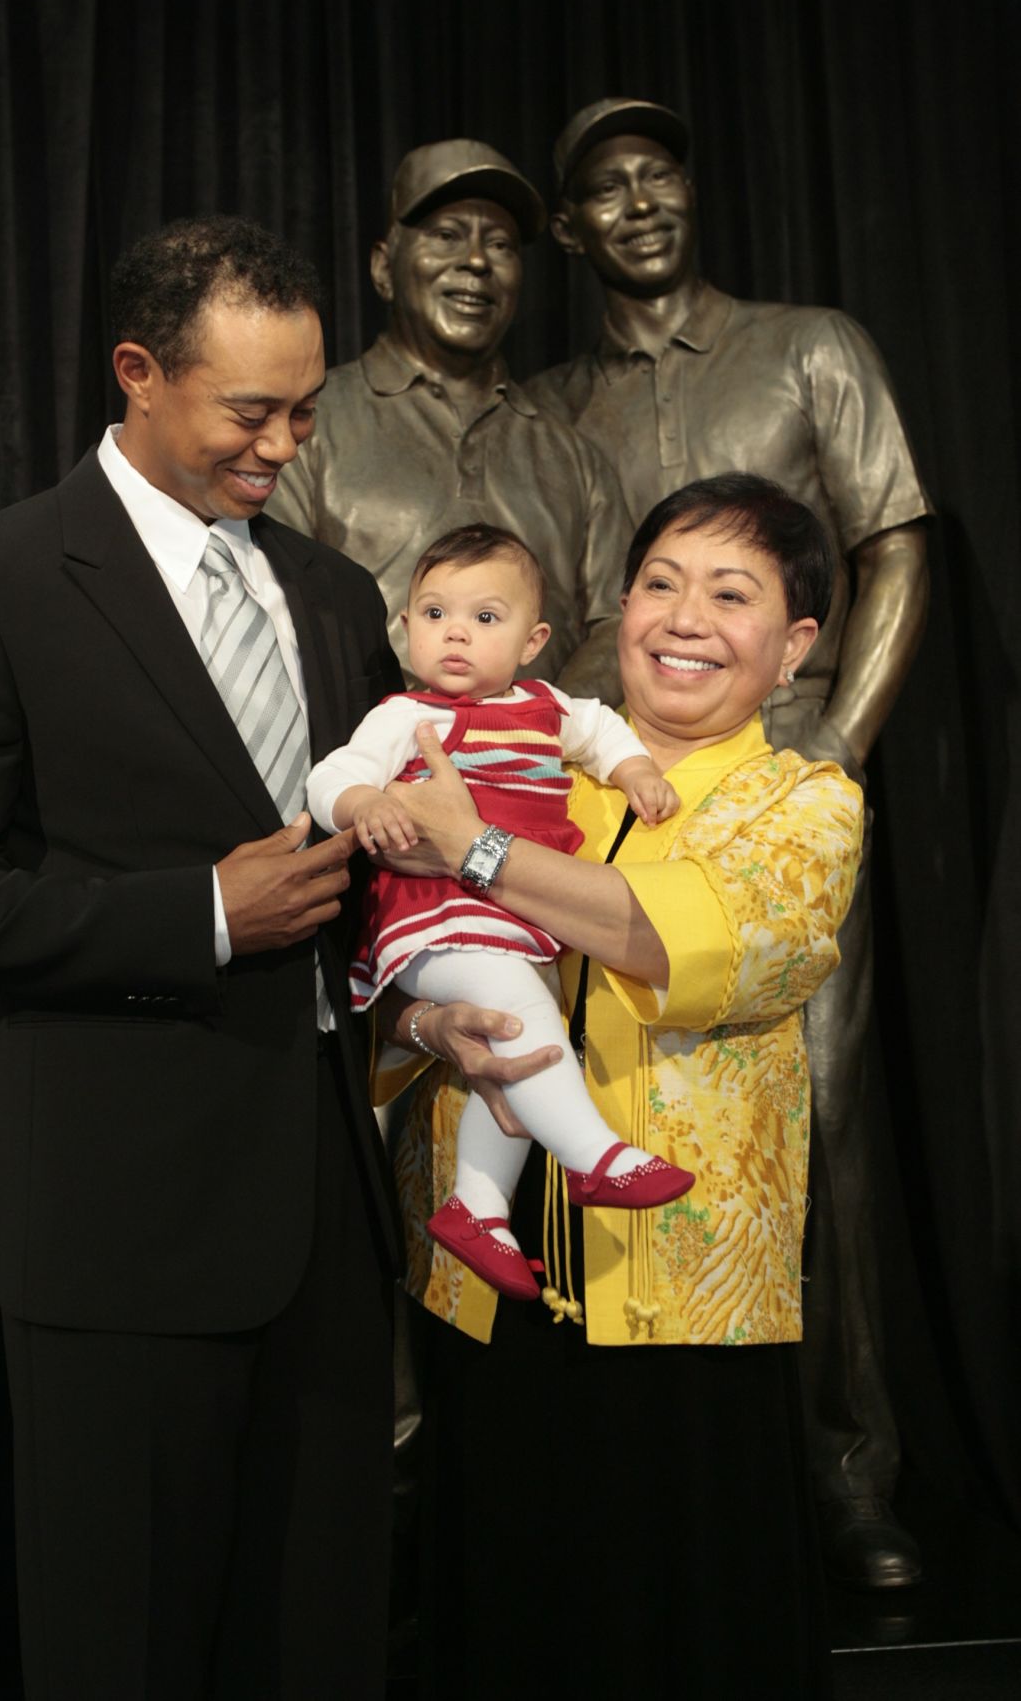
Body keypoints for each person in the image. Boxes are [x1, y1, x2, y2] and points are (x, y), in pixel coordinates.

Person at [0, 215, 405, 1701]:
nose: (282, 447)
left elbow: (360, 871)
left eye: (306, 412)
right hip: (121, 1231)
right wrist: (202, 915)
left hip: (328, 1220)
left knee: (319, 1643)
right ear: (138, 372)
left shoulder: (335, 596)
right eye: (251, 411)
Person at [527, 97, 930, 1586]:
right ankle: (629, 1479)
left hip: (775, 785)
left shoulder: (808, 345)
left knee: (818, 1120)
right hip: (611, 798)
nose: (640, 202)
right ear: (568, 229)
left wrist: (839, 747)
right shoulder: (549, 406)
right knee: (597, 1108)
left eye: (660, 174)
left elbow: (894, 540)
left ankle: (846, 1469)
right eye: (606, 187)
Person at [377, 473, 864, 1698]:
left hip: (687, 1317)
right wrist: (427, 1018)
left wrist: (475, 847)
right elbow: (385, 963)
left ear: (795, 646)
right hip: (494, 1301)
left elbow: (684, 940)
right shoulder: (536, 765)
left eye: (732, 595)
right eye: (661, 583)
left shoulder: (806, 804)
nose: (686, 618)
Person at [307, 523, 689, 1303]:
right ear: (405, 626)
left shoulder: (547, 707)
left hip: (506, 920)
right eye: (435, 613)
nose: (455, 633)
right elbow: (331, 775)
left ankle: (478, 1206)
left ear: (532, 641)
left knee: (511, 1032)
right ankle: (593, 1155)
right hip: (437, 915)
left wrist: (635, 769)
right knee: (519, 1010)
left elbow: (601, 728)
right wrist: (365, 802)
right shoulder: (408, 715)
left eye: (485, 617)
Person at [267, 138, 632, 704]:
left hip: (538, 756)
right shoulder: (310, 425)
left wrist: (534, 729)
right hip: (367, 752)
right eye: (446, 236)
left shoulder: (573, 457)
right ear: (384, 268)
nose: (477, 261)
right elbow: (270, 606)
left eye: (501, 244)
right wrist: (410, 732)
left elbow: (617, 624)